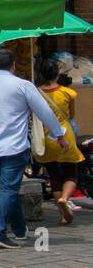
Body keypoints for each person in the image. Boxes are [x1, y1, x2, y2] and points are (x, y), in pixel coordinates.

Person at [0, 48, 67, 248]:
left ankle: (19, 229)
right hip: (16, 148)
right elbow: (44, 111)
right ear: (14, 66)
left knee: (9, 188)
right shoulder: (22, 85)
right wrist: (59, 134)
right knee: (8, 189)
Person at [34, 57, 83, 226]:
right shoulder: (68, 93)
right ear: (57, 74)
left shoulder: (36, 93)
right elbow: (71, 116)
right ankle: (64, 198)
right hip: (64, 136)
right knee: (71, 174)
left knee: (54, 176)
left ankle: (63, 215)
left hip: (46, 138)